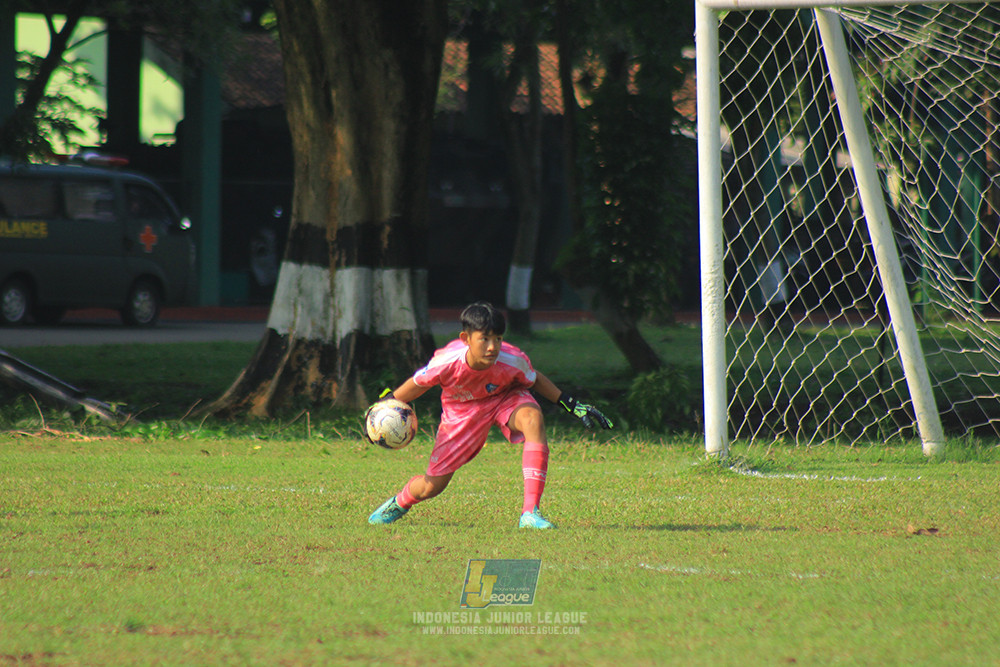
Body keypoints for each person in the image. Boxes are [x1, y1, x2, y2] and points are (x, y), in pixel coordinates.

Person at [367, 301, 613, 530]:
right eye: (484, 339)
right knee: (432, 486)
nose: (493, 346)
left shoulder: (512, 359)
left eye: (498, 338)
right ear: (466, 339)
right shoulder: (446, 361)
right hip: (462, 411)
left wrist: (571, 404)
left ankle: (530, 513)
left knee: (532, 419)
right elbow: (418, 383)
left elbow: (534, 378)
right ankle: (400, 502)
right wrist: (385, 405)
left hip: (504, 398)